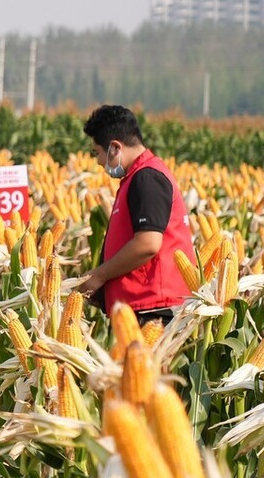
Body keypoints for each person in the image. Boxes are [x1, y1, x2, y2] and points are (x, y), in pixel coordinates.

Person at [76, 105, 198, 326]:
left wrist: (99, 275)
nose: (98, 162)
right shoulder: (138, 177)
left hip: (153, 310)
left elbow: (148, 244)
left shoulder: (147, 178)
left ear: (115, 148)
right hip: (142, 308)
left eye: (97, 152)